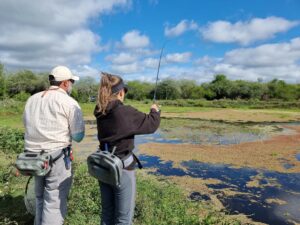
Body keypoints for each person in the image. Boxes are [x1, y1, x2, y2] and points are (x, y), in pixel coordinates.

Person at [94, 72, 160, 225]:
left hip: (104, 166)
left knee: (107, 213)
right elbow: (151, 125)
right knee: (123, 219)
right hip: (122, 168)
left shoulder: (100, 110)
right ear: (121, 92)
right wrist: (155, 111)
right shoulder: (124, 111)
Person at [23, 65, 85, 225]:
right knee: (54, 201)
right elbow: (78, 136)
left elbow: (27, 126)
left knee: (39, 196)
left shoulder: (32, 100)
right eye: (71, 81)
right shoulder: (69, 102)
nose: (72, 85)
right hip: (56, 157)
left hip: (32, 157)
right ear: (64, 83)